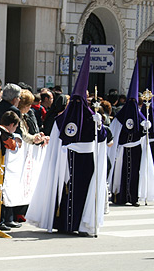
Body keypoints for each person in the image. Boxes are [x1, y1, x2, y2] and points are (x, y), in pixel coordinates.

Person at [27, 45, 107, 235]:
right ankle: (66, 223)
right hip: (68, 161)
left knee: (83, 193)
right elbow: (57, 141)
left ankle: (80, 223)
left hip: (85, 161)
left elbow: (102, 139)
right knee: (67, 192)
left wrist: (99, 126)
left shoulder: (91, 117)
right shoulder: (63, 119)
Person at [107, 61, 154, 206]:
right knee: (121, 173)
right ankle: (120, 196)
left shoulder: (141, 117)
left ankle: (133, 197)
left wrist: (146, 127)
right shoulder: (120, 116)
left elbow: (146, 133)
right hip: (122, 150)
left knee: (135, 173)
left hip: (136, 149)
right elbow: (113, 133)